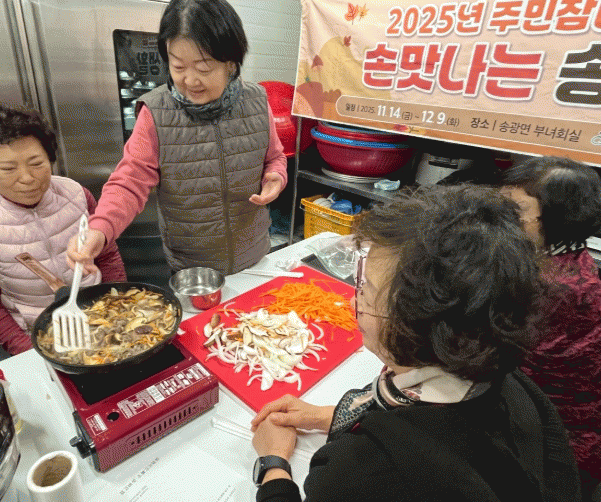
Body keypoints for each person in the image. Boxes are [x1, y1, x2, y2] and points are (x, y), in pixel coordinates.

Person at [250, 185, 581, 502]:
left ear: (417, 324)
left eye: (367, 290)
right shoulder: (510, 383)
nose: (354, 301)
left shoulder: (364, 471)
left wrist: (273, 462)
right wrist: (328, 415)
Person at [67, 0, 287, 278]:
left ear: (231, 63)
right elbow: (129, 181)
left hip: (254, 256)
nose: (190, 80)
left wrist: (276, 176)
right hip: (193, 272)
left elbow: (274, 157)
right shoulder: (156, 112)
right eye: (178, 66)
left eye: (203, 68)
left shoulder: (256, 100)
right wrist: (99, 229)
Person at [0, 101, 126, 355]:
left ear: (50, 159)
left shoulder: (76, 194)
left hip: (103, 314)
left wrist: (116, 308)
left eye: (36, 163)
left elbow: (108, 257)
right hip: (35, 334)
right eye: (8, 169)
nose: (27, 178)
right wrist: (30, 351)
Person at [501, 156, 601, 500]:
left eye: (515, 211)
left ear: (558, 218)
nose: (502, 220)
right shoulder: (561, 256)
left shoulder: (557, 286)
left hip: (554, 443)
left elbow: (488, 355)